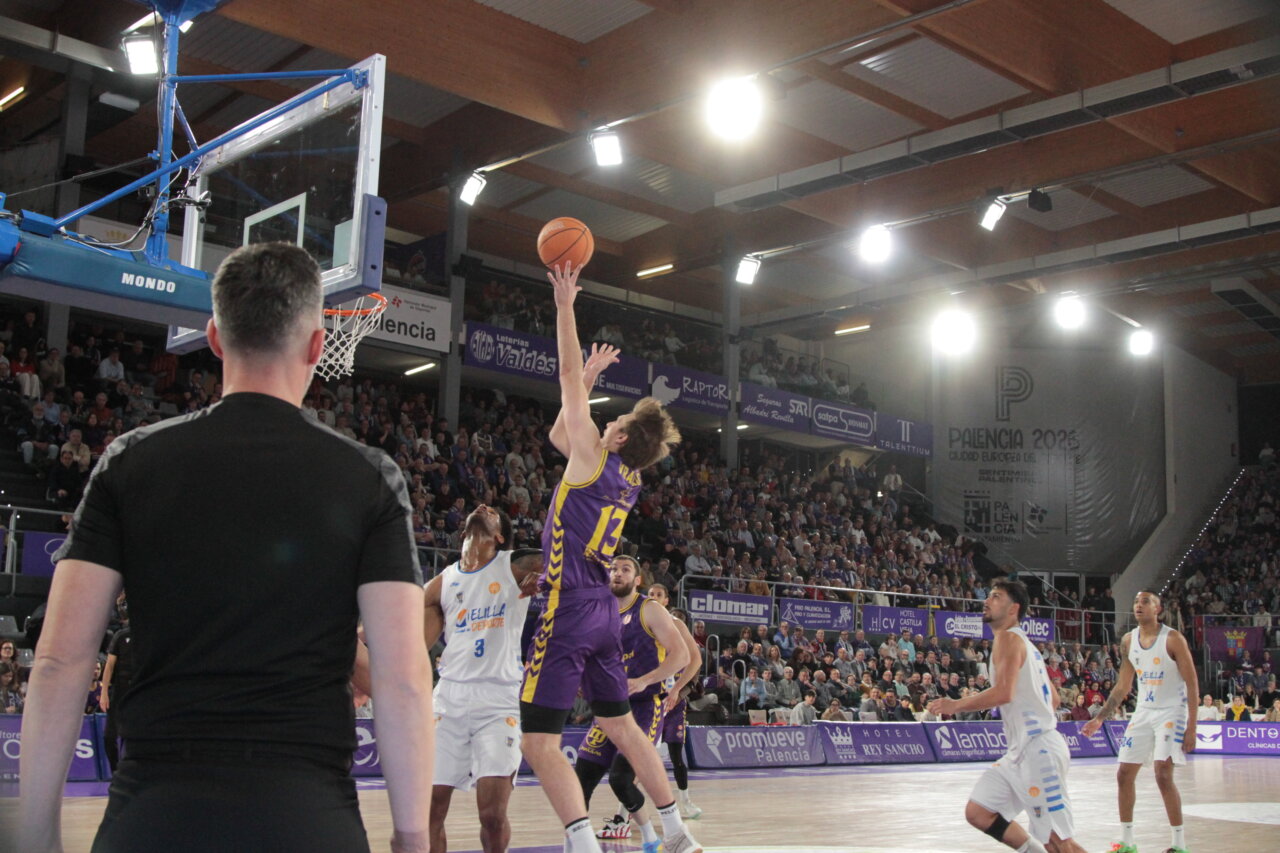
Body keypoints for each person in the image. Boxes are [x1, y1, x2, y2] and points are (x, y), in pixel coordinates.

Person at [16, 242, 434, 853]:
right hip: (308, 817)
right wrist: (412, 835)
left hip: (153, 814)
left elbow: (58, 662)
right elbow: (401, 680)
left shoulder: (128, 463)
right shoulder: (370, 477)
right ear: (319, 346)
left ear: (213, 337)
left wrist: (35, 838)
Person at [519, 261, 700, 853]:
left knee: (538, 740)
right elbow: (558, 436)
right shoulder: (625, 478)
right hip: (603, 609)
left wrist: (566, 305)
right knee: (621, 725)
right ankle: (674, 828)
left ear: (618, 439)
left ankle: (580, 842)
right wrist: (588, 392)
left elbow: (568, 373)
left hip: (568, 605)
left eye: (613, 420)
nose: (606, 419)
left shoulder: (594, 460)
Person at [405, 505, 542, 853]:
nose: (483, 507)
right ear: (464, 533)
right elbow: (399, 614)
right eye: (480, 509)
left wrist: (550, 577)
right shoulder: (443, 581)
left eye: (493, 512)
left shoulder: (515, 563)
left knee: (493, 815)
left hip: (498, 702)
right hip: (448, 699)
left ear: (498, 536)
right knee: (429, 809)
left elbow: (569, 563)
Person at [929, 580, 1085, 853]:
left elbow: (1004, 693)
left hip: (1038, 750)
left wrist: (955, 705)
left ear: (1013, 609)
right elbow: (1055, 699)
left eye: (996, 597)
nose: (987, 601)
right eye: (988, 596)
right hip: (1021, 751)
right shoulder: (1025, 644)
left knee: (1059, 843)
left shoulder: (1008, 639)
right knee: (978, 811)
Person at [572, 556, 689, 853]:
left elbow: (683, 657)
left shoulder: (650, 609)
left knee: (621, 779)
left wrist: (646, 680)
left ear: (638, 580)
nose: (617, 573)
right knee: (580, 780)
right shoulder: (599, 611)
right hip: (610, 708)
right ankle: (576, 845)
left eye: (625, 569)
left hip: (645, 706)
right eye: (613, 568)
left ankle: (653, 837)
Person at [1083, 590, 1197, 853]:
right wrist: (1100, 718)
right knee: (1123, 774)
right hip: (1144, 711)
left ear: (1158, 609)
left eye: (1145, 601)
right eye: (1135, 601)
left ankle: (1179, 845)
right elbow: (1123, 686)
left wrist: (1192, 726)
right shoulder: (1127, 641)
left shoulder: (1173, 639)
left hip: (1172, 711)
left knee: (1162, 774)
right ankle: (1127, 842)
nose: (1138, 605)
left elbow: (1192, 684)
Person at [646, 587, 704, 821]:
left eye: (659, 595)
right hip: (652, 701)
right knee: (645, 757)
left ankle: (685, 801)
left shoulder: (684, 644)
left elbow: (695, 677)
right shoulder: (648, 632)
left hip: (674, 704)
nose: (654, 598)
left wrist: (678, 692)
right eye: (651, 593)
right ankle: (627, 811)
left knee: (676, 756)